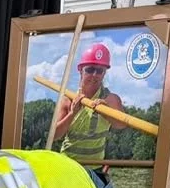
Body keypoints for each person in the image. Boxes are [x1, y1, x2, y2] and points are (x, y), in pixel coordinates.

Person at [53, 43, 126, 175]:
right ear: (80, 70)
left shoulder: (111, 99)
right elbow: (54, 135)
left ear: (104, 73)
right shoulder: (68, 99)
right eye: (90, 69)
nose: (94, 75)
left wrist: (106, 112)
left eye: (99, 71)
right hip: (68, 166)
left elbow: (121, 124)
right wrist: (72, 113)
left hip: (95, 169)